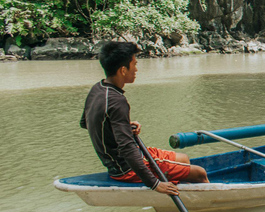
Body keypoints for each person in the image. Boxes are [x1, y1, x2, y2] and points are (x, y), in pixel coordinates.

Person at [80, 41, 208, 194]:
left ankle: (182, 190)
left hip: (120, 161)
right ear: (122, 70)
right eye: (134, 64)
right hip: (126, 168)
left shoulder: (97, 89)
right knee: (200, 173)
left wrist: (122, 126)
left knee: (184, 159)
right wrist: (154, 184)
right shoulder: (117, 101)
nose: (136, 69)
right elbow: (127, 149)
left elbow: (85, 123)